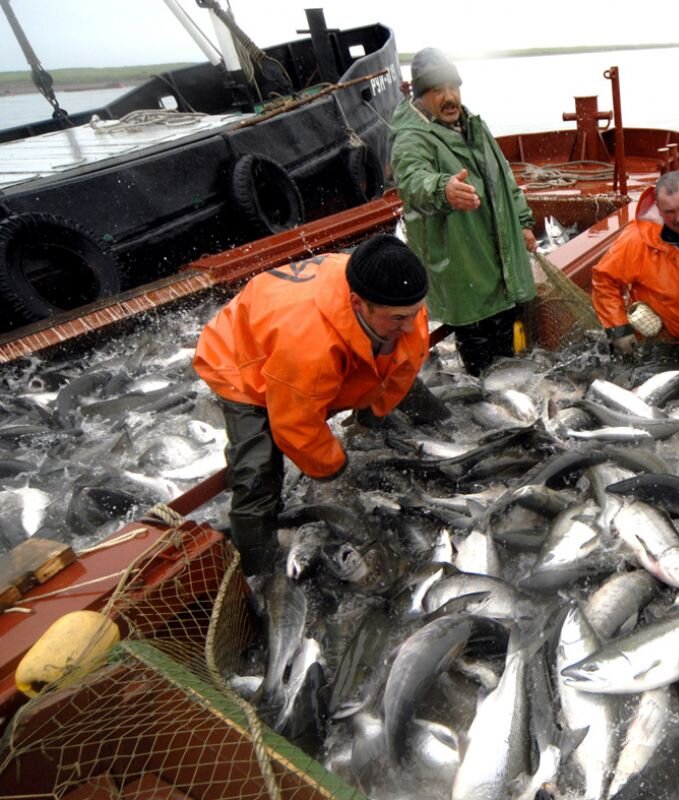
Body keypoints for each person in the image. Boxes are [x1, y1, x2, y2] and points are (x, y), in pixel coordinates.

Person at [193, 235, 430, 575]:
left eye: (416, 313)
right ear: (358, 303)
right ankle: (258, 576)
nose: (410, 326)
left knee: (394, 379)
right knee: (256, 475)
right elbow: (294, 427)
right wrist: (336, 469)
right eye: (398, 319)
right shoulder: (307, 349)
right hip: (242, 360)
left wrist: (373, 416)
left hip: (313, 342)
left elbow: (405, 365)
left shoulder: (400, 300)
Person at [388, 47, 536, 376]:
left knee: (507, 343)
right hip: (463, 266)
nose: (449, 96)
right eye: (438, 90)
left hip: (498, 258)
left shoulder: (475, 127)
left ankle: (510, 396)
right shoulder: (412, 138)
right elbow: (413, 181)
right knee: (481, 356)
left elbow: (505, 179)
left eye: (453, 87)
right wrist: (444, 189)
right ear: (421, 97)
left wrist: (524, 223)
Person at [591, 170, 679, 359]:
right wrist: (619, 330)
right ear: (657, 208)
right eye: (669, 212)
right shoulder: (636, 239)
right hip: (662, 344)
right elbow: (604, 280)